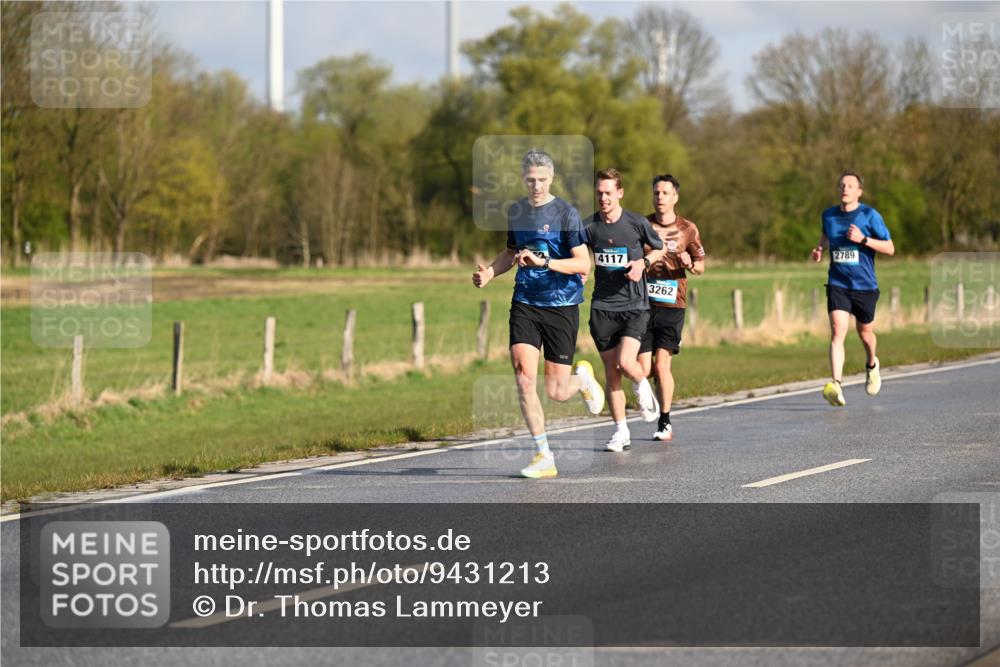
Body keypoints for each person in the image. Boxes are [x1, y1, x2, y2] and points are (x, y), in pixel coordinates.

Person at [472, 150, 605, 479]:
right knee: (523, 376)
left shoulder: (566, 214)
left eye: (542, 180)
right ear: (523, 178)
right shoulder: (517, 211)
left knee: (557, 392)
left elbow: (582, 263)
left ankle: (582, 379)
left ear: (552, 177)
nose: (536, 185)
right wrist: (490, 272)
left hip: (561, 305)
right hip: (526, 303)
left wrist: (544, 262)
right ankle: (543, 454)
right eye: (530, 180)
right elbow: (510, 252)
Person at [583, 168, 665, 452]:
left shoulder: (636, 222)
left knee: (627, 362)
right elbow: (578, 256)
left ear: (619, 193)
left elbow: (659, 248)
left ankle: (644, 389)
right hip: (602, 307)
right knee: (611, 373)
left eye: (608, 192)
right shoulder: (589, 226)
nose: (603, 198)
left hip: (634, 305)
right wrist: (579, 271)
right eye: (599, 193)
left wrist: (643, 262)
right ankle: (621, 432)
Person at [810, 170, 895, 407]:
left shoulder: (870, 215)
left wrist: (863, 240)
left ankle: (872, 364)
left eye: (850, 185)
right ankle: (836, 384)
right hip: (838, 282)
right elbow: (826, 237)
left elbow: (890, 248)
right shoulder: (828, 215)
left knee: (865, 334)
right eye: (841, 185)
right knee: (838, 331)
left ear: (859, 191)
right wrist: (819, 249)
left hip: (865, 285)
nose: (844, 189)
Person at [638, 174, 706, 441]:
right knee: (643, 368)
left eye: (665, 193)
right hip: (642, 304)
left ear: (675, 197)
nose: (660, 197)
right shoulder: (641, 225)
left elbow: (701, 266)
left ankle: (664, 421)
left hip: (672, 304)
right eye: (656, 193)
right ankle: (651, 398)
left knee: (662, 364)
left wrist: (690, 263)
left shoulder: (688, 228)